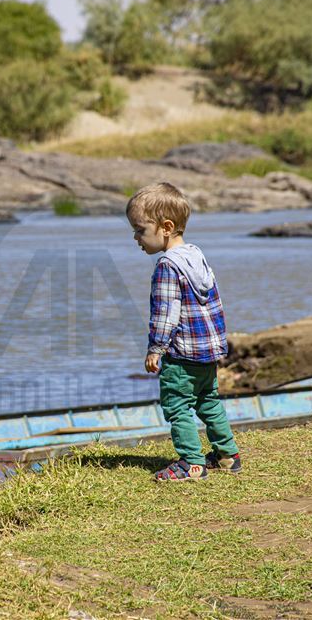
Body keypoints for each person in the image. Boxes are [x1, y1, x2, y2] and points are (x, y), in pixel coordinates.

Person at [126, 182, 241, 481]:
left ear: (166, 227)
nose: (135, 237)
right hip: (208, 351)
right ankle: (227, 455)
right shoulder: (195, 255)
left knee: (177, 406)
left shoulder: (167, 265)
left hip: (182, 354)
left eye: (139, 230)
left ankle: (192, 463)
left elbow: (166, 313)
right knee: (208, 401)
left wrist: (156, 349)